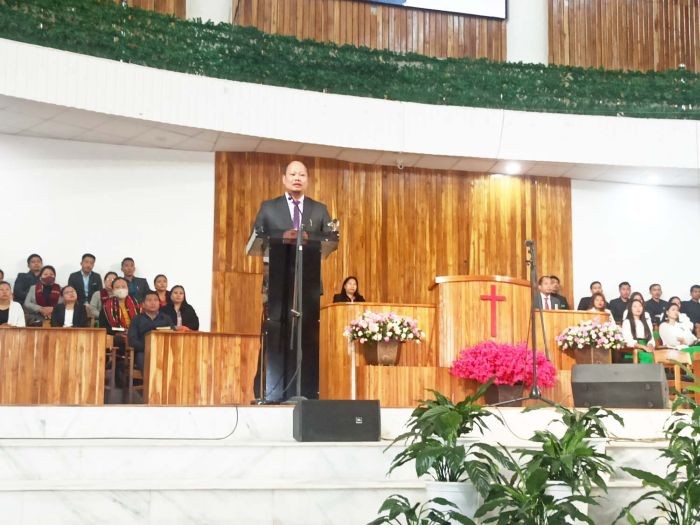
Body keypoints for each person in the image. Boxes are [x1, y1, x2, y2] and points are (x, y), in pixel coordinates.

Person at [252, 160, 332, 402]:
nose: (297, 178)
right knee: (276, 334)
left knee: (307, 336)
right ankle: (270, 393)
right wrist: (280, 236)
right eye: (292, 174)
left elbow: (329, 239)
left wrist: (310, 237)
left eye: (302, 174)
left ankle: (305, 392)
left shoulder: (319, 210)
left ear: (307, 180)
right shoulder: (269, 207)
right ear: (284, 179)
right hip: (277, 284)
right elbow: (256, 237)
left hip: (306, 285)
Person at [128, 291, 175, 372]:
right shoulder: (137, 319)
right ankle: (149, 383)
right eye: (149, 300)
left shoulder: (166, 318)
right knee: (141, 357)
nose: (153, 303)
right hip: (144, 351)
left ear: (159, 303)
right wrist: (148, 348)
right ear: (143, 304)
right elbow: (132, 340)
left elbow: (174, 336)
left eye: (155, 300)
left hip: (163, 351)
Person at [621, 299, 655, 363]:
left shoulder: (646, 322)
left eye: (640, 306)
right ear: (630, 309)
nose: (638, 308)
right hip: (634, 349)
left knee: (656, 356)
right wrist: (643, 347)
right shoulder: (627, 322)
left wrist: (650, 344)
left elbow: (651, 337)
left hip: (646, 346)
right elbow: (628, 340)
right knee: (648, 357)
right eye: (635, 306)